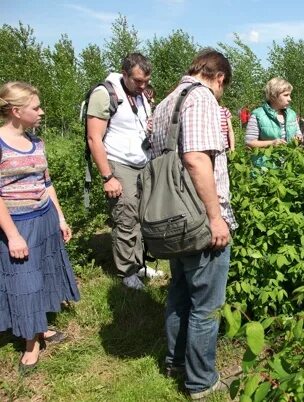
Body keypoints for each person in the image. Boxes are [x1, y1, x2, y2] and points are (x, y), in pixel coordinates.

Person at [149, 48, 236, 400]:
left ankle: (176, 361)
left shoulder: (166, 101)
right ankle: (201, 382)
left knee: (180, 292)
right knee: (206, 303)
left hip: (173, 217)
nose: (221, 93)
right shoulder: (201, 99)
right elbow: (197, 159)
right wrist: (216, 218)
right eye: (223, 87)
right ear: (219, 78)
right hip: (199, 218)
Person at [0, 82, 80, 373]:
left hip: (44, 218)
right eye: (36, 107)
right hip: (17, 224)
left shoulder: (37, 142)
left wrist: (59, 217)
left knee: (43, 276)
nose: (42, 111)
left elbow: (46, 183)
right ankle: (30, 347)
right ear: (16, 110)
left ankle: (39, 327)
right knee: (24, 282)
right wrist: (11, 235)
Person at [86, 53, 163, 290]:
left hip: (143, 163)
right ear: (124, 73)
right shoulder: (105, 94)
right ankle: (126, 271)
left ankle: (138, 264)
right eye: (138, 81)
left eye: (146, 81)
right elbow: (93, 138)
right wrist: (108, 177)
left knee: (142, 217)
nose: (142, 86)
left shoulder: (140, 95)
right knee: (126, 217)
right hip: (119, 164)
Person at [245, 77, 302, 149]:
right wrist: (271, 143)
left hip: (289, 159)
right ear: (273, 96)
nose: (290, 99)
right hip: (267, 159)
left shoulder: (292, 114)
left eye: (290, 95)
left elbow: (298, 134)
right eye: (286, 95)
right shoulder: (258, 115)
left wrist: (299, 138)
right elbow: (250, 142)